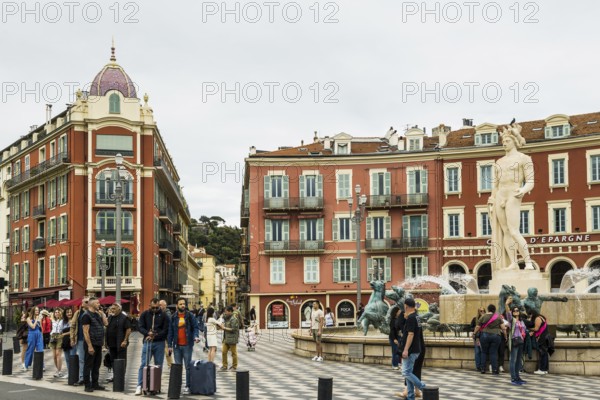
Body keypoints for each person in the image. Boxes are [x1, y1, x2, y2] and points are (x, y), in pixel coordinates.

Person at [488, 122, 535, 271]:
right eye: (503, 142)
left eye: (507, 141)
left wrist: (523, 190)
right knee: (505, 232)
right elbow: (495, 185)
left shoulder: (524, 158)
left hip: (513, 194)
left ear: (514, 142)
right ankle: (513, 262)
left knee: (514, 230)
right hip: (500, 194)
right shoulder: (499, 162)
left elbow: (531, 181)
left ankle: (528, 262)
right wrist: (492, 198)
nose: (504, 144)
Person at [135, 298, 170, 396]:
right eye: (153, 307)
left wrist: (155, 335)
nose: (154, 309)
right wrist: (147, 333)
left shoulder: (164, 315)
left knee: (158, 365)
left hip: (159, 342)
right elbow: (140, 326)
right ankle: (139, 385)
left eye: (157, 307)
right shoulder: (145, 314)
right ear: (149, 306)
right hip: (147, 342)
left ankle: (156, 386)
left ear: (159, 306)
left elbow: (166, 329)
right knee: (143, 364)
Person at [167, 297, 200, 395]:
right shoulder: (173, 317)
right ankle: (177, 386)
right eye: (180, 304)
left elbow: (195, 327)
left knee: (188, 367)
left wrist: (196, 336)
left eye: (184, 304)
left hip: (187, 345)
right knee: (178, 367)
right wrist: (169, 345)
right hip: (177, 346)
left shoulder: (190, 316)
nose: (183, 305)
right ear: (177, 305)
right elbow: (170, 332)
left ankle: (188, 386)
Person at [400, 298, 426, 400]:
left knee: (406, 372)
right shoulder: (417, 317)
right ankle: (410, 396)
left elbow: (411, 334)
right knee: (409, 373)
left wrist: (405, 349)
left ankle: (423, 387)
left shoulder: (411, 318)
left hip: (411, 350)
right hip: (416, 348)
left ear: (406, 306)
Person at [81, 297, 108, 392]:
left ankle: (95, 384)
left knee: (97, 365)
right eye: (97, 303)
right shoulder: (86, 315)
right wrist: (89, 346)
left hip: (98, 343)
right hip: (91, 344)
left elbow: (106, 323)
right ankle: (87, 385)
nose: (99, 304)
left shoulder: (98, 314)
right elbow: (85, 332)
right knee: (88, 365)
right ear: (92, 304)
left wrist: (102, 314)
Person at [473, 304, 504, 374]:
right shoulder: (498, 317)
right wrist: (505, 336)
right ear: (494, 310)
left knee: (483, 352)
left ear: (488, 309)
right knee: (493, 352)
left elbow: (477, 327)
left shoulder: (483, 316)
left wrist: (474, 333)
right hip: (496, 336)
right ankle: (495, 370)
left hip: (484, 335)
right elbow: (503, 328)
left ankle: (483, 369)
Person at [105, 303, 131, 383]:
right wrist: (105, 342)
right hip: (111, 343)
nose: (112, 310)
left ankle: (120, 377)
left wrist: (125, 340)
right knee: (113, 360)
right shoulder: (110, 318)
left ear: (119, 309)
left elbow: (128, 329)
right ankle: (115, 376)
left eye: (114, 309)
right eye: (111, 309)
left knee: (121, 360)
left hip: (121, 343)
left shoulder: (124, 318)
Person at [504, 298, 527, 385]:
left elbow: (524, 330)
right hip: (514, 341)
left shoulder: (521, 321)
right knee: (513, 360)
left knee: (518, 360)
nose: (516, 312)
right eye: (514, 310)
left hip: (521, 341)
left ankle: (518, 377)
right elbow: (508, 313)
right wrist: (507, 304)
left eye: (517, 310)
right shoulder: (512, 320)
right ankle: (513, 378)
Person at [70, 297, 90, 385]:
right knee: (82, 359)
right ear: (82, 303)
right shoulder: (77, 313)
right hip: (81, 339)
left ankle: (90, 378)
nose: (88, 303)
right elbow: (73, 326)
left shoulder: (94, 313)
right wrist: (72, 338)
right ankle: (82, 378)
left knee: (90, 359)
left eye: (89, 302)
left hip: (91, 340)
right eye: (86, 302)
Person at [528, 309, 550, 375]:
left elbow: (536, 329)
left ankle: (542, 369)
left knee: (542, 353)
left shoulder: (537, 318)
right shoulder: (542, 317)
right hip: (546, 336)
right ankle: (545, 369)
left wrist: (529, 328)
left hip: (542, 337)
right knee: (545, 353)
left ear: (532, 314)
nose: (530, 317)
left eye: (530, 315)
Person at [219, 305, 240, 371]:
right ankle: (225, 366)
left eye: (226, 311)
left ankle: (234, 366)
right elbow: (222, 318)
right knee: (223, 352)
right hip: (226, 338)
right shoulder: (226, 318)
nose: (225, 313)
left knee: (233, 353)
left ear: (230, 312)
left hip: (232, 338)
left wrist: (224, 328)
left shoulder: (234, 319)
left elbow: (234, 329)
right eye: (225, 311)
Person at [49, 308, 65, 378]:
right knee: (54, 356)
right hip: (53, 336)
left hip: (59, 336)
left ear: (60, 313)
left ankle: (59, 371)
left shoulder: (62, 320)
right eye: (55, 312)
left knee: (58, 354)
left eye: (58, 312)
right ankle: (57, 370)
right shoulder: (52, 320)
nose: (57, 313)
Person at [159, 299, 174, 369]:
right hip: (161, 334)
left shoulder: (167, 313)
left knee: (167, 351)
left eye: (160, 305)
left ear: (165, 305)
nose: (159, 306)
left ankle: (171, 364)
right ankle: (169, 364)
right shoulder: (160, 312)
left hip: (166, 335)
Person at [471, 307, 485, 372]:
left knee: (483, 352)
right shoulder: (475, 319)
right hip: (477, 337)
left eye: (483, 311)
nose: (482, 312)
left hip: (484, 337)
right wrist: (475, 330)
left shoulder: (486, 319)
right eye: (480, 311)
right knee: (477, 352)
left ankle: (482, 366)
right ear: (478, 312)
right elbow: (471, 327)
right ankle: (478, 366)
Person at [60, 308, 73, 377]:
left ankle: (74, 372)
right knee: (67, 359)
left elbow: (73, 331)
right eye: (67, 312)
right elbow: (60, 331)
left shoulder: (74, 321)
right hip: (65, 342)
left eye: (70, 312)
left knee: (72, 358)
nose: (69, 313)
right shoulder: (63, 322)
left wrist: (65, 334)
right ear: (65, 314)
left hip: (72, 341)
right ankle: (69, 373)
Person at [388, 305, 402, 370]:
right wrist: (394, 339)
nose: (400, 312)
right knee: (395, 351)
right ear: (396, 312)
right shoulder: (393, 320)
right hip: (394, 338)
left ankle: (399, 363)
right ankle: (394, 364)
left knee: (399, 351)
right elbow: (392, 331)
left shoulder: (398, 319)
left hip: (399, 337)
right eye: (399, 311)